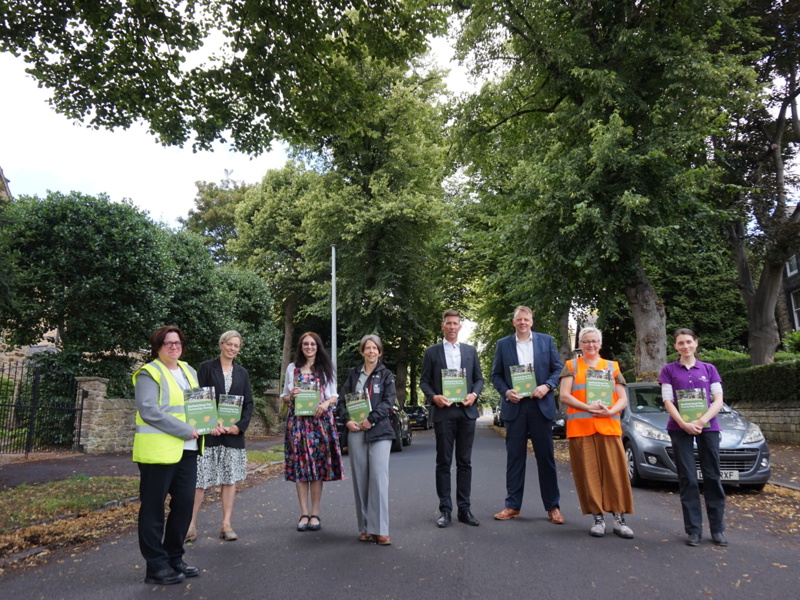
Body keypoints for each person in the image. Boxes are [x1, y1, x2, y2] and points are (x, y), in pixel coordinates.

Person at [132, 325, 202, 585]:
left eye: (178, 342)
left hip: (188, 451)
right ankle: (156, 566)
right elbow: (149, 410)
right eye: (168, 343)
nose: (174, 347)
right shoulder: (149, 373)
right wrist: (186, 430)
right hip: (158, 452)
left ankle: (175, 557)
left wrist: (209, 423)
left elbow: (197, 406)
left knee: (184, 505)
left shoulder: (189, 370)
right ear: (158, 347)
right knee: (153, 510)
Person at [490, 305, 565, 523]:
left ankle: (553, 507)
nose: (522, 322)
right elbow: (495, 375)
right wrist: (506, 391)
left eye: (526, 319)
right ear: (513, 322)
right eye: (518, 319)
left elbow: (557, 369)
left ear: (532, 322)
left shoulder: (546, 341)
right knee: (515, 458)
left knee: (546, 458)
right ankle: (512, 506)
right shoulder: (503, 345)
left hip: (540, 405)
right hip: (515, 407)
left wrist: (547, 386)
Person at [559, 327, 634, 538]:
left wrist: (610, 411)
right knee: (588, 474)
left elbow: (622, 399)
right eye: (586, 341)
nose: (590, 345)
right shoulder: (571, 366)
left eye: (594, 341)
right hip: (581, 429)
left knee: (616, 473)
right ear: (580, 345)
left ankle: (619, 519)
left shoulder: (612, 367)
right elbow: (564, 396)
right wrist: (588, 408)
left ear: (600, 343)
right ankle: (598, 518)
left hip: (609, 427)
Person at [659, 328, 727, 547]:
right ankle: (694, 531)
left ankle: (717, 530)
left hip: (709, 427)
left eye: (689, 342)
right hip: (679, 428)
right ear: (676, 346)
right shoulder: (668, 370)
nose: (685, 346)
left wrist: (699, 422)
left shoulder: (709, 369)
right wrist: (684, 424)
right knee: (688, 478)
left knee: (712, 476)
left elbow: (718, 400)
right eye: (681, 343)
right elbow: (668, 401)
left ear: (696, 343)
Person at [187, 330, 254, 543]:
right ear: (221, 344)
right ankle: (190, 526)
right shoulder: (206, 368)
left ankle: (226, 525)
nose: (232, 348)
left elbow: (248, 403)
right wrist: (209, 422)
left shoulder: (242, 373)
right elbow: (199, 398)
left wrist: (239, 427)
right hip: (210, 434)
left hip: (232, 436)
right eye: (229, 344)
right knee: (199, 481)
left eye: (236, 346)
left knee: (229, 479)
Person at [420, 309, 484, 528]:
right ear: (443, 326)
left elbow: (479, 379)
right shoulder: (431, 352)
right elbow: (424, 382)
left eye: (456, 323)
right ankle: (445, 510)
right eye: (448, 323)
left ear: (460, 326)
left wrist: (473, 395)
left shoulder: (470, 351)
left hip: (466, 412)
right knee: (444, 462)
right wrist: (433, 397)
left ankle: (464, 510)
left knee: (465, 463)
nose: (452, 327)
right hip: (444, 412)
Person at [281, 332, 343, 533]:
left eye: (312, 344)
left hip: (319, 423)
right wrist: (290, 395)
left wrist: (325, 403)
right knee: (300, 469)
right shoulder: (292, 368)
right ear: (301, 347)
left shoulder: (326, 369)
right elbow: (283, 397)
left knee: (317, 468)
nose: (309, 347)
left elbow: (334, 395)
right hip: (298, 424)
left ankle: (315, 513)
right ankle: (303, 513)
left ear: (318, 346)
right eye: (305, 344)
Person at [338, 334, 397, 545]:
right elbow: (342, 402)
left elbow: (389, 401)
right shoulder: (354, 375)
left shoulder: (386, 374)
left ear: (379, 352)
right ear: (362, 351)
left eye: (375, 348)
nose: (371, 351)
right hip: (356, 432)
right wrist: (347, 421)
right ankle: (364, 528)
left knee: (379, 480)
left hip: (379, 431)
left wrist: (371, 420)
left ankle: (380, 529)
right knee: (360, 479)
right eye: (368, 348)